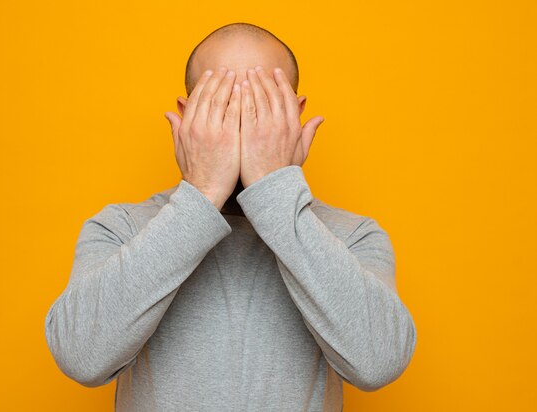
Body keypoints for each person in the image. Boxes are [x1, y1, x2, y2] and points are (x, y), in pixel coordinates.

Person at [44, 22, 417, 412]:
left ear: (295, 114)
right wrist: (202, 192)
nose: (241, 126)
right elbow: (80, 358)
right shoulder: (121, 228)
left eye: (262, 106)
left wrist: (275, 186)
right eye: (220, 105)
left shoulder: (353, 236)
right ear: (188, 117)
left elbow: (379, 363)